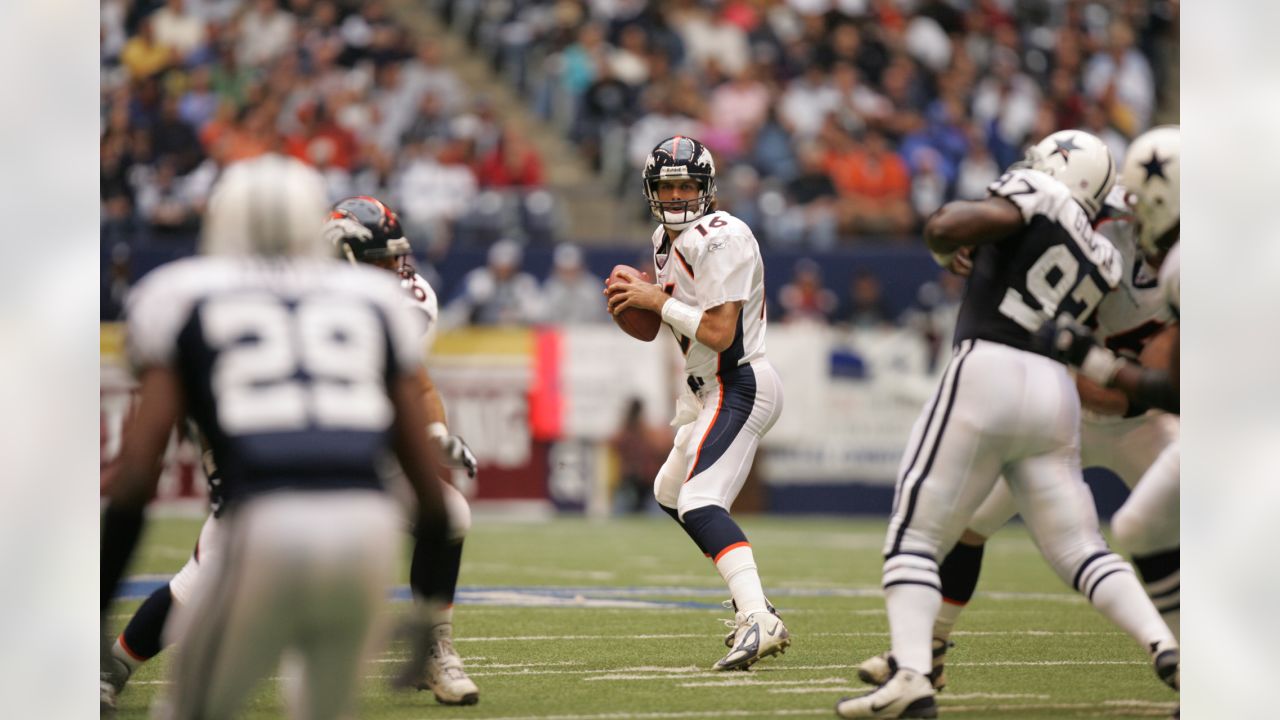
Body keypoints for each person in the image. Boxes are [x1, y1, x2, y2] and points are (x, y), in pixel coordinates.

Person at [834, 131, 1178, 718]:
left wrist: (956, 243)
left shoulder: (1046, 195)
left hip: (1065, 390)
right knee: (1072, 544)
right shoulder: (1105, 255)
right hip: (1062, 397)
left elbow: (948, 226)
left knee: (916, 533)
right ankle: (1166, 646)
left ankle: (912, 671)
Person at [100, 154, 451, 719]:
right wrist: (428, 621)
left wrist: (97, 603)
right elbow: (430, 491)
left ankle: (108, 666)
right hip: (362, 525)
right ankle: (113, 666)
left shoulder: (182, 293)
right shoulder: (377, 306)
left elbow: (139, 472)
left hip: (265, 509)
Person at [605, 136, 789, 671]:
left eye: (688, 184)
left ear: (707, 189)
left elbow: (717, 329)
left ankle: (757, 615)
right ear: (651, 191)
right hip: (709, 389)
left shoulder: (722, 235)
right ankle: (755, 605)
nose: (679, 195)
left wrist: (656, 300)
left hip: (741, 381)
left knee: (699, 502)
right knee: (668, 492)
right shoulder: (665, 240)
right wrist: (643, 298)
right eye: (669, 185)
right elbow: (664, 326)